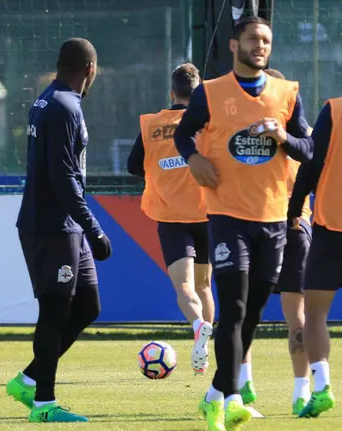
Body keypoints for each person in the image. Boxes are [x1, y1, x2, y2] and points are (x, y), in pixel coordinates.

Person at [173, 16, 313, 430]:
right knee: (233, 307)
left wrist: (283, 138)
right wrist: (194, 158)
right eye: (253, 38)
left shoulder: (288, 94)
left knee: (253, 313)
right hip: (227, 216)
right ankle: (232, 398)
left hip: (273, 219)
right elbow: (184, 134)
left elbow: (309, 149)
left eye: (266, 40)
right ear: (234, 45)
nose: (261, 45)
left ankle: (216, 392)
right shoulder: (211, 93)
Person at [6, 37, 112, 423]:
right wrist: (94, 227)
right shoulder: (65, 106)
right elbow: (64, 177)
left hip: (61, 225)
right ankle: (44, 405)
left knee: (87, 305)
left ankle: (31, 378)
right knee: (54, 310)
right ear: (90, 70)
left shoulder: (48, 100)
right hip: (53, 226)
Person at [234, 68, 313, 415]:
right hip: (272, 228)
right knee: (260, 314)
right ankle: (263, 390)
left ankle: (291, 392)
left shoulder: (289, 133)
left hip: (284, 227)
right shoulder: (259, 136)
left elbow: (311, 156)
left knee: (282, 317)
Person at [127, 62, 214, 375]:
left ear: (172, 92)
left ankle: (198, 325)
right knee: (205, 286)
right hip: (207, 213)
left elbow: (134, 165)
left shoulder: (152, 125)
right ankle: (205, 350)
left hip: (172, 217)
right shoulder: (209, 122)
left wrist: (163, 169)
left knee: (185, 288)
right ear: (199, 92)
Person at [289, 95, 342, 419]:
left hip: (332, 227)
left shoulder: (337, 109)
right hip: (330, 227)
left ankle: (323, 386)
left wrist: (294, 207)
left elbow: (311, 163)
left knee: (315, 313)